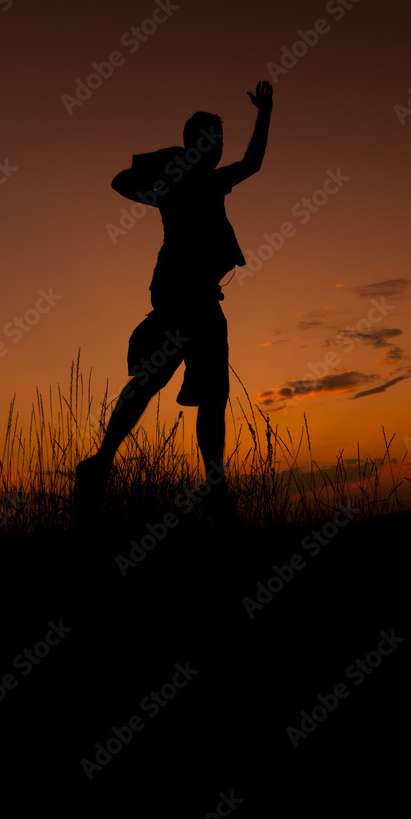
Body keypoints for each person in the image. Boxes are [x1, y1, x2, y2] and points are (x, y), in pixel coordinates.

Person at [75, 80, 274, 513]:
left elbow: (252, 162)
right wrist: (168, 170)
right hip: (183, 299)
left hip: (200, 299)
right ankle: (104, 464)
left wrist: (264, 113)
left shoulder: (202, 181)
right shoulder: (185, 181)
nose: (218, 150)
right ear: (195, 145)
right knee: (160, 384)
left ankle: (208, 484)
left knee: (206, 392)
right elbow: (121, 182)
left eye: (219, 143)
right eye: (212, 142)